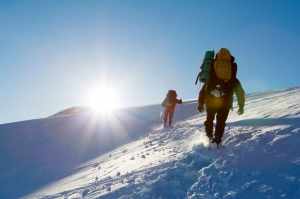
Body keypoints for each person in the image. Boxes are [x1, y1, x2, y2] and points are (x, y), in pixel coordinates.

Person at [197, 50, 245, 145]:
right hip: (225, 102)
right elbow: (239, 91)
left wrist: (200, 103)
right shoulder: (231, 76)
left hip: (211, 101)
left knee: (209, 119)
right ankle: (217, 140)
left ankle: (208, 137)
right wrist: (241, 105)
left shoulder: (211, 73)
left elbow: (204, 89)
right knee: (221, 121)